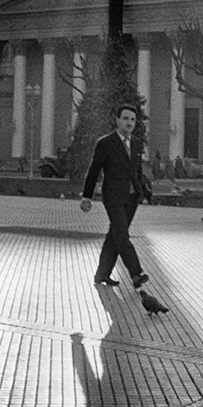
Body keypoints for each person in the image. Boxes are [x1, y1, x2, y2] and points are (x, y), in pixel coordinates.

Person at [81, 103, 153, 288]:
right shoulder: (106, 143)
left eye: (133, 119)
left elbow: (136, 170)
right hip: (113, 197)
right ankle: (136, 273)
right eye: (126, 118)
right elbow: (94, 170)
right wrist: (86, 196)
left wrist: (142, 191)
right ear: (118, 120)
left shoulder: (136, 143)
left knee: (114, 235)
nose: (129, 123)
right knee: (122, 235)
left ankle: (102, 274)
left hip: (131, 198)